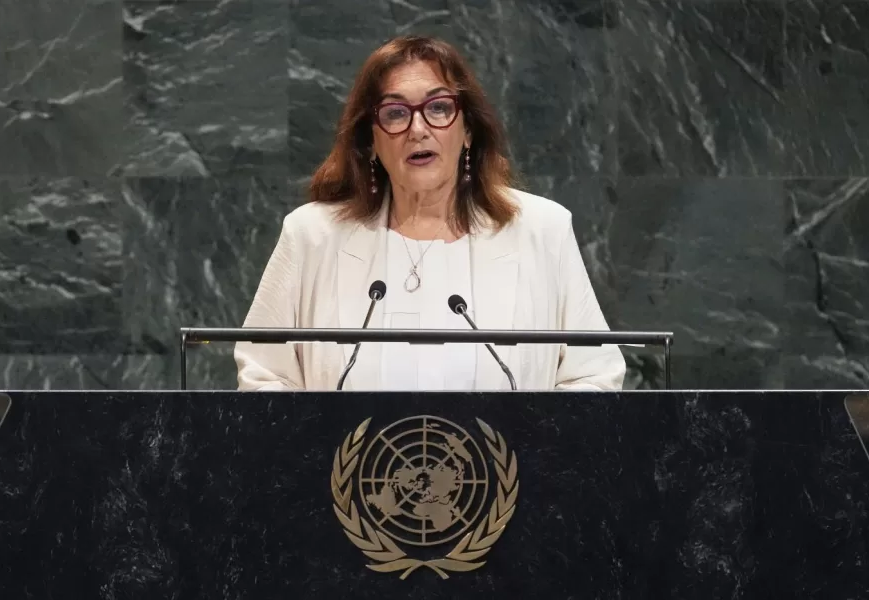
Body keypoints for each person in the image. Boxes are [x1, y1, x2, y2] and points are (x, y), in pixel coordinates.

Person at [235, 35, 626, 392]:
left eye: (439, 108)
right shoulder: (311, 236)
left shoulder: (543, 231)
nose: (418, 128)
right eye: (394, 113)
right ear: (370, 140)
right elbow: (263, 378)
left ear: (468, 130)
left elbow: (593, 376)